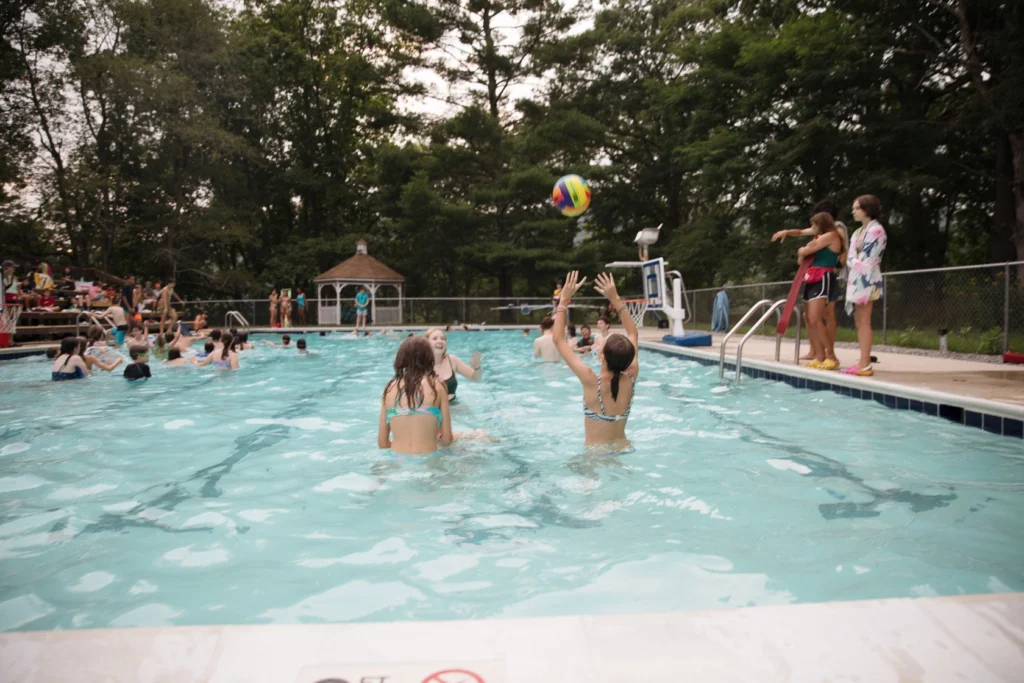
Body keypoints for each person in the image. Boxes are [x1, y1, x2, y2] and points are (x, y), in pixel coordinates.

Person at [552, 271, 639, 450]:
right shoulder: (632, 375)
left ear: (601, 357)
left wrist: (563, 301)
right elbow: (633, 333)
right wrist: (615, 298)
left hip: (595, 457)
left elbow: (558, 340)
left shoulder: (591, 380)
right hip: (624, 450)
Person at [772, 200, 849, 361]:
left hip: (828, 276)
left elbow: (842, 253)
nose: (812, 226)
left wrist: (836, 268)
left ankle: (830, 353)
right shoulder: (820, 231)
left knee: (825, 315)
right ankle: (817, 351)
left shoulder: (836, 231)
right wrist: (786, 231)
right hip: (815, 275)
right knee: (810, 316)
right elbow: (801, 232)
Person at [378, 336, 453, 455]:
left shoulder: (389, 389)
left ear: (401, 358)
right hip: (428, 459)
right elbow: (447, 439)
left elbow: (382, 443)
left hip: (397, 460)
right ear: (428, 358)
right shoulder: (438, 386)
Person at [844, 194, 887, 376]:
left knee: (865, 320)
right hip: (857, 278)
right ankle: (862, 361)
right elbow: (850, 255)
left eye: (857, 208)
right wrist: (854, 261)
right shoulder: (858, 232)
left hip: (868, 278)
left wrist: (854, 261)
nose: (853, 211)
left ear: (867, 210)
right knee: (858, 320)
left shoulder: (877, 230)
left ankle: (865, 363)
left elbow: (870, 259)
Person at [794, 212, 844, 369]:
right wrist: (804, 250)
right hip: (812, 277)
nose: (812, 228)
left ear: (821, 224)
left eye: (815, 225)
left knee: (816, 318)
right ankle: (820, 356)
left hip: (823, 277)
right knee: (808, 318)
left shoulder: (831, 235)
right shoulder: (819, 239)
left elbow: (803, 252)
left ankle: (831, 356)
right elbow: (800, 259)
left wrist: (804, 249)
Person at [424, 327, 483, 402]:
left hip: (454, 406)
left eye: (443, 338)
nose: (440, 341)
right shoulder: (421, 365)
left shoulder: (452, 360)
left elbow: (476, 378)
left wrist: (477, 368)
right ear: (426, 343)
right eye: (435, 338)